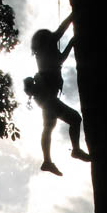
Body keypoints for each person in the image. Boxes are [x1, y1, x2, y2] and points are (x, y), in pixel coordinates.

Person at [29, 12, 91, 176]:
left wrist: (71, 42)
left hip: (47, 98)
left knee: (49, 127)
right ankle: (75, 150)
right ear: (45, 40)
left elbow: (61, 59)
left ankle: (47, 161)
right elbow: (60, 31)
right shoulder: (45, 48)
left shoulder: (45, 54)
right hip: (48, 98)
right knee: (75, 118)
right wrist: (73, 15)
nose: (53, 39)